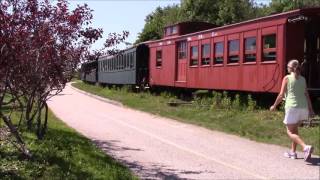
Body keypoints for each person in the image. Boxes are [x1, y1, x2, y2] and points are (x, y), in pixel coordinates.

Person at [270, 59, 315, 161]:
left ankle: (305, 147)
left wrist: (274, 105)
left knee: (289, 132)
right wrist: (311, 109)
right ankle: (293, 153)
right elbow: (307, 95)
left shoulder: (287, 78)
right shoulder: (303, 79)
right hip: (303, 108)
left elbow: (281, 95)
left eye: (287, 67)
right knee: (295, 130)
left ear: (291, 68)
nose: (287, 68)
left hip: (292, 107)